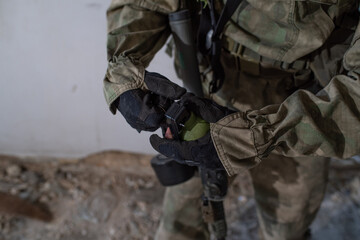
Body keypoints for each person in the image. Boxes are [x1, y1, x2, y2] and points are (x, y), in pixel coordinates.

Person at [103, 1, 360, 239]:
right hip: (206, 96)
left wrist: (253, 138)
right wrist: (125, 77)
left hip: (303, 111)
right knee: (179, 227)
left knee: (287, 230)